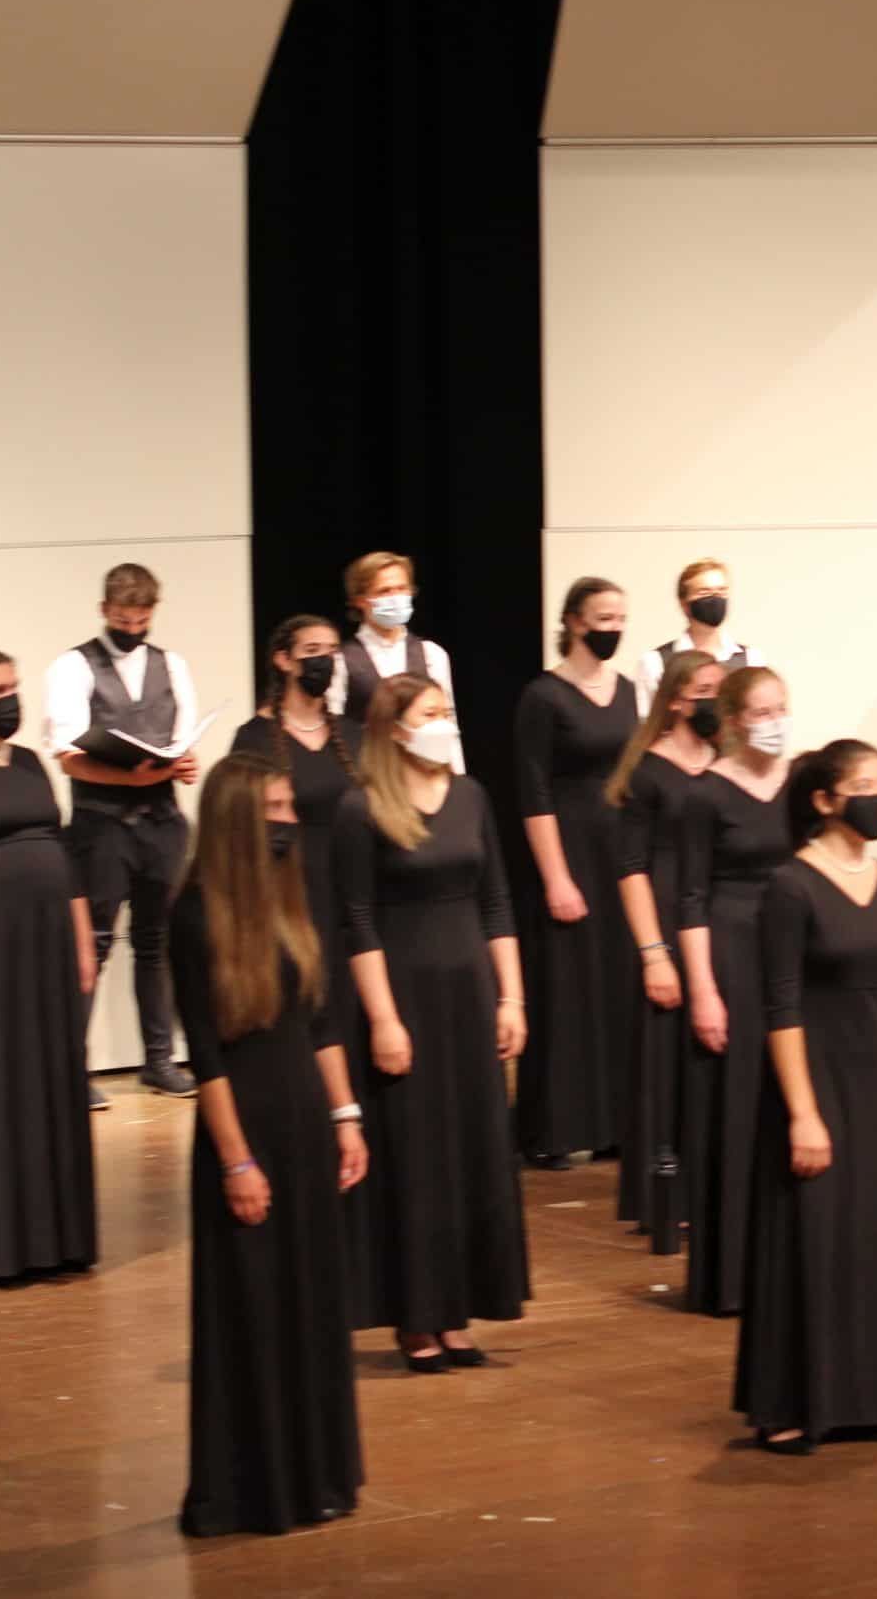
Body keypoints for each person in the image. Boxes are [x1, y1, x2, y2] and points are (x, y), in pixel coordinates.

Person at [173, 753, 366, 1536]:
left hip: (305, 1123)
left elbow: (320, 1022)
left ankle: (316, 1474)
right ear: (238, 821)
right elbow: (206, 1056)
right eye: (275, 809)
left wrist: (346, 1115)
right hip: (245, 1129)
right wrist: (237, 1160)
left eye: (290, 807)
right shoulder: (195, 913)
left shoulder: (293, 899)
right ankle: (252, 1489)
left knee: (310, 1299)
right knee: (252, 1307)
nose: (290, 820)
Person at [735, 740, 877, 1451]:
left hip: (876, 1082)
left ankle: (865, 1395)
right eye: (863, 785)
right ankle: (792, 1399)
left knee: (872, 1237)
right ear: (824, 800)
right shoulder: (791, 887)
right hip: (815, 1078)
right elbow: (781, 1006)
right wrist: (803, 1113)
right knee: (810, 1234)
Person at [336, 675, 529, 1369]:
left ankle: (459, 1311)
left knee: (473, 1147)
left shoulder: (472, 796)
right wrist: (383, 1019)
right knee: (415, 1154)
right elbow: (357, 921)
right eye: (431, 713)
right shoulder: (361, 807)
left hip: (470, 993)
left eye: (448, 710)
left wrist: (512, 998)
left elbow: (497, 903)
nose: (445, 721)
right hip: (406, 994)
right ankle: (417, 1317)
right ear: (395, 728)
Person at [46, 562, 203, 1099]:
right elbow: (68, 757)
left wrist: (181, 764)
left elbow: (181, 740)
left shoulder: (171, 665)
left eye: (140, 621)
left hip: (162, 823)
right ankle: (73, 1069)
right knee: (93, 943)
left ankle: (158, 1059)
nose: (132, 629)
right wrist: (129, 777)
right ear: (104, 610)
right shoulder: (74, 666)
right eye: (122, 619)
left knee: (155, 942)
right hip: (102, 825)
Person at [230, 617, 364, 1198]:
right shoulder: (255, 739)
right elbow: (242, 828)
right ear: (282, 660)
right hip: (291, 903)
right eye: (312, 651)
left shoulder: (353, 735)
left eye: (332, 650)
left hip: (352, 901)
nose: (324, 660)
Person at [512, 577, 642, 1169]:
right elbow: (533, 790)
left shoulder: (627, 691)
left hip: (617, 848)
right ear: (573, 622)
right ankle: (552, 1129)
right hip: (567, 847)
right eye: (603, 618)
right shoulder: (544, 696)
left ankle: (612, 1123)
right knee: (566, 988)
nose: (613, 627)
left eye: (620, 618)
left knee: (616, 982)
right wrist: (556, 877)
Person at [677, 666, 795, 1315]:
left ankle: (786, 1267)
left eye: (781, 708)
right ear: (732, 720)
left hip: (789, 948)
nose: (774, 721)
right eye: (761, 712)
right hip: (731, 953)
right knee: (736, 1103)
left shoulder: (801, 783)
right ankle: (732, 1276)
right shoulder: (706, 793)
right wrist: (703, 989)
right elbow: (691, 898)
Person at [0, 646, 97, 1279]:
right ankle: (0, 1243)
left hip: (48, 939)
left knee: (50, 1070)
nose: (11, 700)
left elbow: (62, 849)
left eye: (13, 687)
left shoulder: (27, 762)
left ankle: (58, 1236)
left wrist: (82, 939)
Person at [606, 651, 722, 1235]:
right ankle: (666, 1197)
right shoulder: (648, 772)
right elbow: (631, 870)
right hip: (667, 919)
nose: (715, 701)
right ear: (676, 700)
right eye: (704, 691)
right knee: (664, 1063)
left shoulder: (726, 763)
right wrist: (654, 953)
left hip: (718, 920)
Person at [327, 552, 461, 768]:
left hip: (424, 771)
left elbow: (448, 724)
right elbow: (335, 730)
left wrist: (456, 775)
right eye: (384, 591)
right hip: (369, 773)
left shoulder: (431, 654)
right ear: (360, 600)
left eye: (402, 588)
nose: (395, 597)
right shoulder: (342, 660)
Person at [636, 558, 767, 696]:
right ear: (684, 604)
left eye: (721, 592)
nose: (715, 598)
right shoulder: (655, 663)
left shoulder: (751, 659)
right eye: (704, 593)